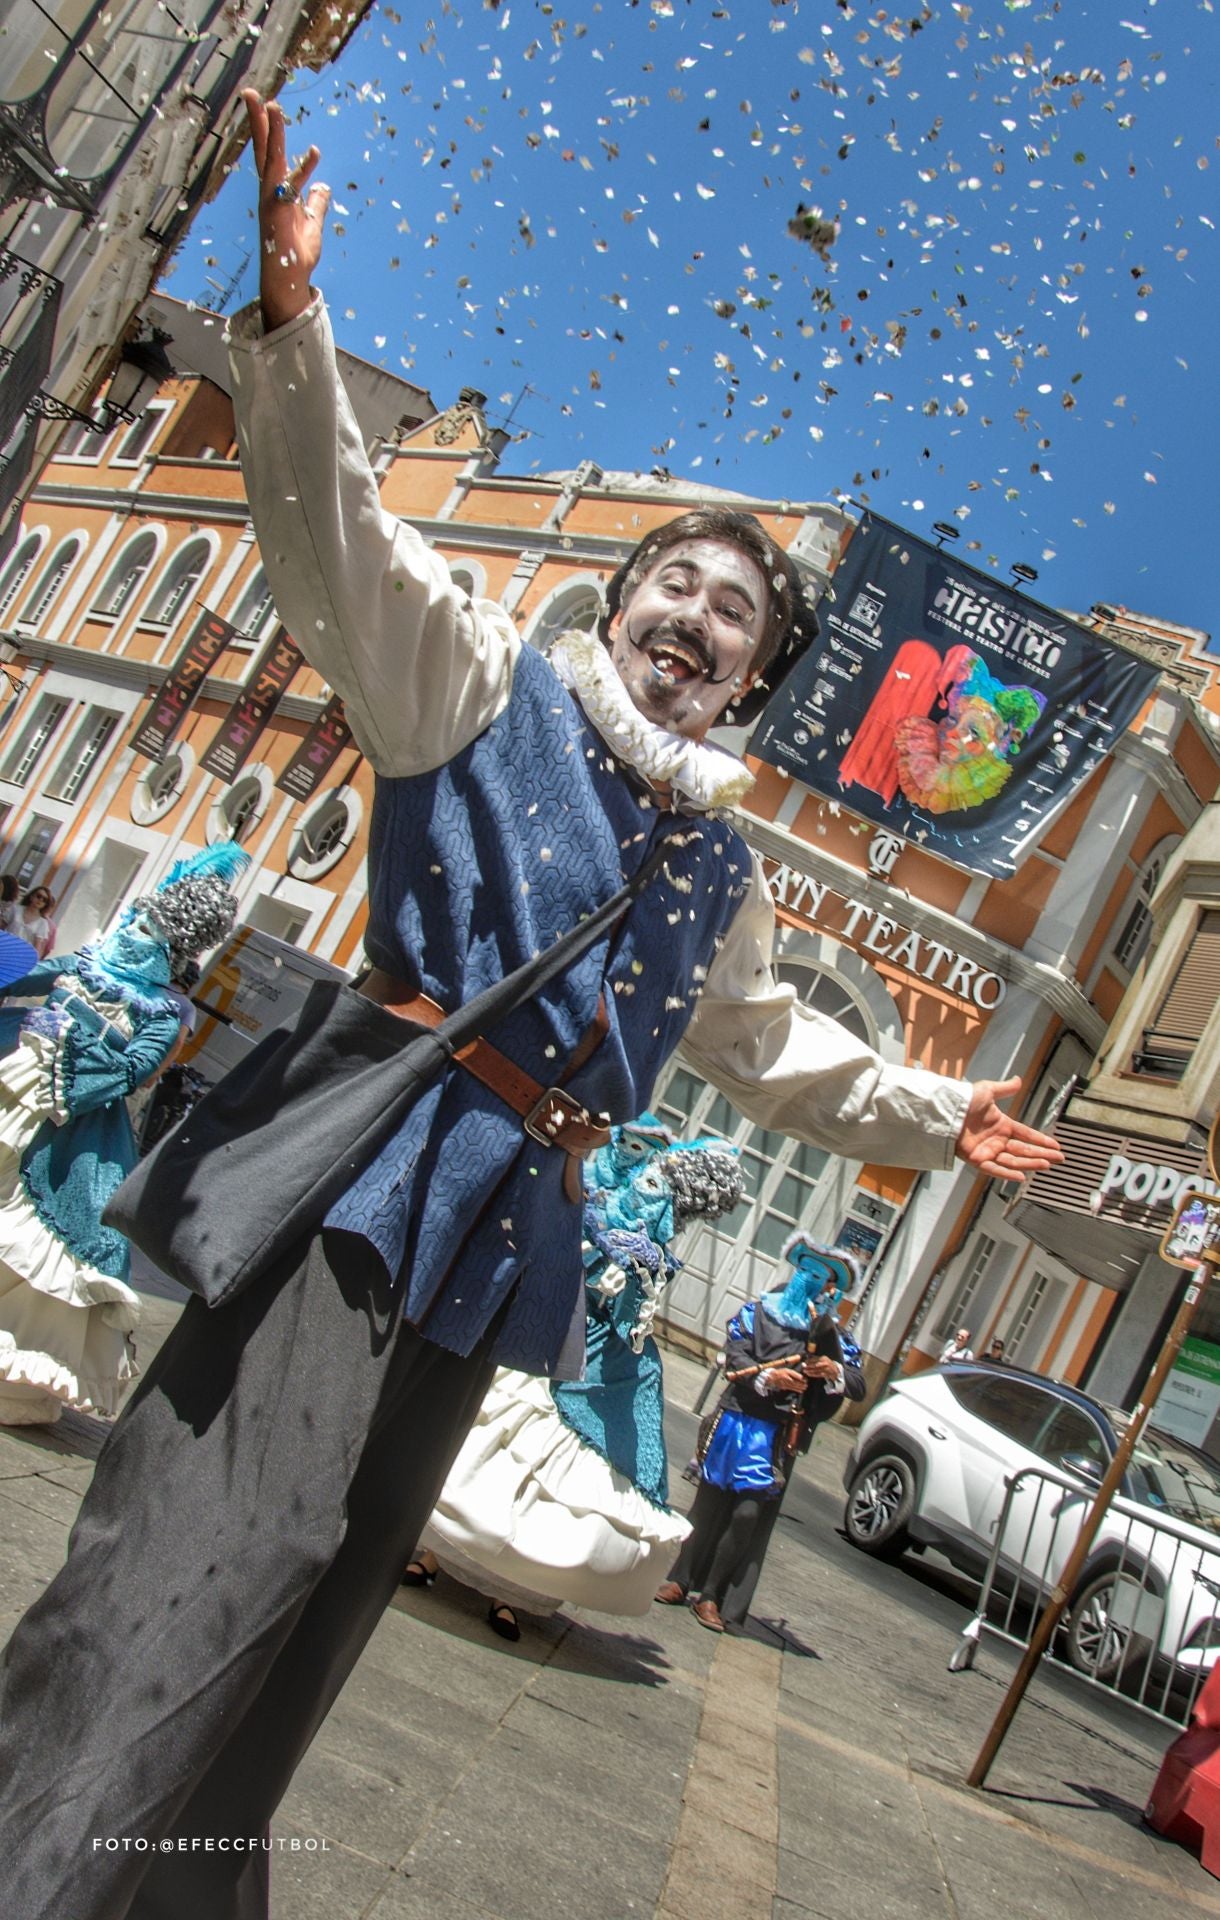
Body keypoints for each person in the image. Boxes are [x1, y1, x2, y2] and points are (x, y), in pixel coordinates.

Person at [0, 91, 1062, 1920]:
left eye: (735, 616)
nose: (697, 619)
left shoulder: (726, 871)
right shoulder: (485, 694)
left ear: (751, 685)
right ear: (619, 600)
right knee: (214, 1547)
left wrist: (930, 1115)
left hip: (511, 1231)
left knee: (326, 1596)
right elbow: (343, 537)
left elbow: (761, 1046)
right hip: (372, 1167)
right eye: (674, 583)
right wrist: (286, 325)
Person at [407, 1121, 744, 1640]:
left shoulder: (650, 1228)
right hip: (542, 1317)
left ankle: (511, 1590)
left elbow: (634, 1310)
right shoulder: (586, 1180)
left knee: (564, 1473)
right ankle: (433, 1552)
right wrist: (589, 1238)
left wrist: (636, 1272)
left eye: (650, 1155)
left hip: (599, 1349)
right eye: (633, 1145)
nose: (637, 1159)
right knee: (490, 1435)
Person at [0, 846, 247, 1427]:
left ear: (173, 949)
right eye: (138, 919)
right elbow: (29, 973)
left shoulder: (164, 1012)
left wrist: (78, 1043)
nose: (135, 931)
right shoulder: (86, 962)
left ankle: (16, 1372)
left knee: (47, 1236)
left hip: (74, 1124)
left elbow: (136, 1069)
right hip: (15, 1082)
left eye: (152, 930)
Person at [656, 1235, 865, 1631]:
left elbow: (857, 1382)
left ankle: (713, 1596)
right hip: (733, 1419)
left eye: (821, 1276)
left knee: (747, 1515)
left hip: (774, 1437)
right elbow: (735, 1353)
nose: (811, 1279)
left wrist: (833, 1372)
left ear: (829, 1287)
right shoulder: (758, 1311)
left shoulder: (828, 1333)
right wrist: (771, 1375)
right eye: (806, 1269)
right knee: (705, 1503)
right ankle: (679, 1580)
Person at [16, 886, 56, 960]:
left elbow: (38, 948)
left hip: (20, 957)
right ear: (31, 896)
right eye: (38, 896)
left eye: (44, 900)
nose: (40, 900)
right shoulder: (15, 910)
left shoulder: (43, 923)